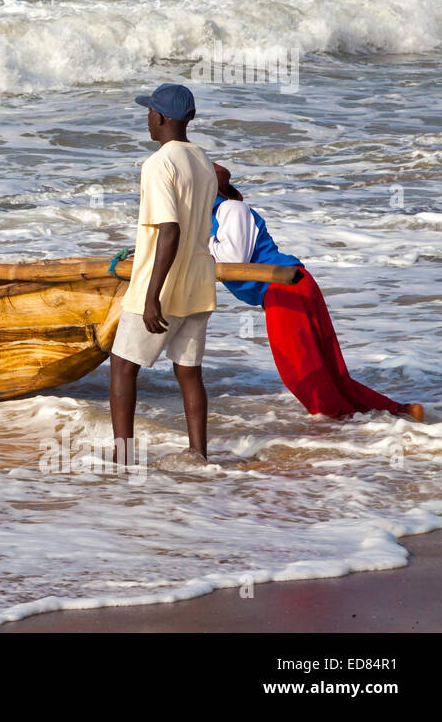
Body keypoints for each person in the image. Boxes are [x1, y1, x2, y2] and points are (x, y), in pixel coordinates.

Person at [209, 164, 423, 422]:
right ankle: (401, 412)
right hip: (288, 286)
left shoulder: (230, 209)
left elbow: (233, 259)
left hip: (283, 285)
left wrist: (200, 244)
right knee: (328, 373)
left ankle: (338, 428)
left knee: (302, 375)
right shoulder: (215, 214)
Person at [110, 83, 218, 463]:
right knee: (189, 372)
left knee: (123, 366)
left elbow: (169, 230)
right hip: (198, 281)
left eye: (149, 112)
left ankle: (122, 459)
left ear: (159, 117)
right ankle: (198, 454)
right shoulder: (203, 160)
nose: (147, 119)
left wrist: (152, 295)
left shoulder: (158, 164)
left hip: (163, 282)